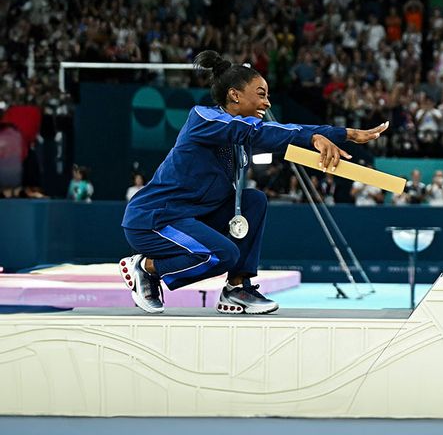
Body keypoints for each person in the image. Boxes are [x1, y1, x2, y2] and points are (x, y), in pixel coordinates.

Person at [120, 51, 388, 315]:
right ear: (234, 95)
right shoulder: (202, 118)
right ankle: (146, 267)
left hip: (194, 218)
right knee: (223, 254)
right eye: (261, 94)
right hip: (154, 220)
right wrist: (324, 135)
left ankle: (237, 288)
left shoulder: (239, 139)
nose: (268, 103)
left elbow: (271, 139)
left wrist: (337, 137)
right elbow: (258, 132)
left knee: (254, 200)